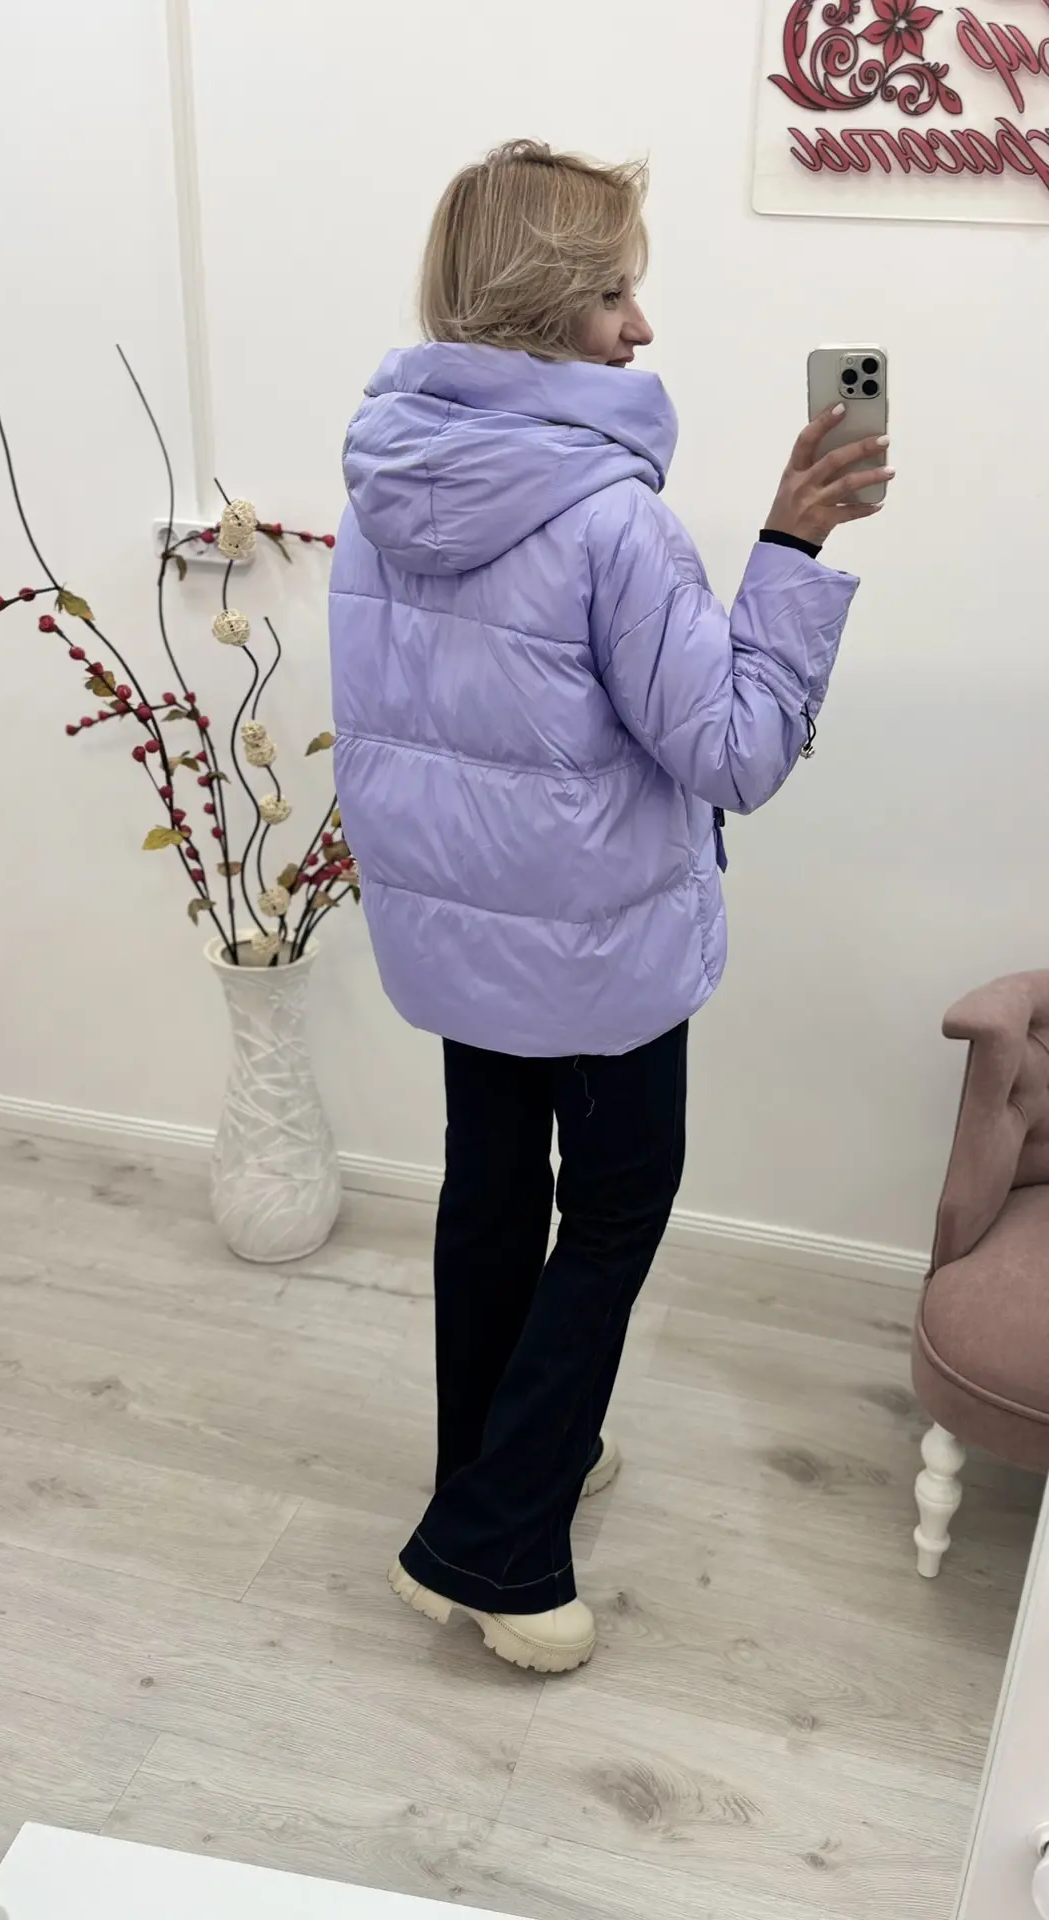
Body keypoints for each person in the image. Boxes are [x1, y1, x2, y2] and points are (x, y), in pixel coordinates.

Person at [327, 139, 892, 1674]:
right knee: (618, 1204)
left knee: (493, 1198)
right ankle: (495, 1555)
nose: (642, 326)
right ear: (538, 308)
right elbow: (736, 752)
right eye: (613, 295)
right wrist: (793, 549)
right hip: (598, 950)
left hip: (459, 935)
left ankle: (503, 1468)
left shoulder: (384, 486)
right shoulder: (612, 521)